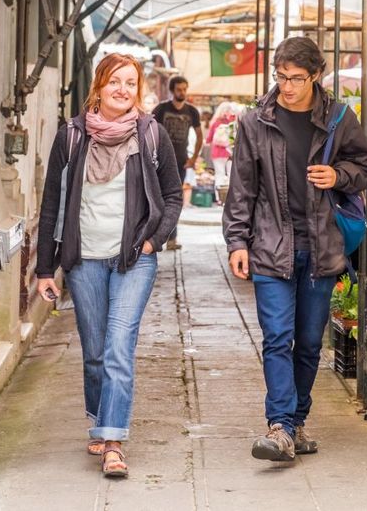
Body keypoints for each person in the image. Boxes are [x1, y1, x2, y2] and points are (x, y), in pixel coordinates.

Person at [222, 37, 367, 462]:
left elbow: (364, 166)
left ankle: (297, 422)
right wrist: (237, 241)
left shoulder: (340, 117)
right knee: (277, 338)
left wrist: (338, 174)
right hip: (270, 245)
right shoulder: (256, 121)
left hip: (322, 246)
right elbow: (242, 189)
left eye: (296, 79)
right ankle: (280, 427)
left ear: (316, 76)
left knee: (308, 343)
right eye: (281, 77)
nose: (287, 87)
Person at [36, 53, 182, 477]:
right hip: (83, 261)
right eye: (114, 82)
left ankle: (114, 439)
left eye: (130, 83)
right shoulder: (72, 137)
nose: (123, 90)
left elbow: (173, 195)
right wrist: (46, 269)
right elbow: (51, 206)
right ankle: (99, 417)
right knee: (95, 352)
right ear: (98, 86)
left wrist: (155, 240)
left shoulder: (151, 134)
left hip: (133, 259)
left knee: (119, 347)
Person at [152, 75, 202, 249]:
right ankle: (154, 237)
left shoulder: (192, 111)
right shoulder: (161, 109)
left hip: (180, 162)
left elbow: (199, 136)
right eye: (179, 89)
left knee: (173, 200)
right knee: (155, 198)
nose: (182, 92)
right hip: (158, 161)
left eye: (184, 89)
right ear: (172, 90)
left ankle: (172, 239)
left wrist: (193, 158)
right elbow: (149, 131)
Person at [206, 101, 238, 190]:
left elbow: (208, 139)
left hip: (216, 153)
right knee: (230, 174)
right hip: (229, 153)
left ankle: (219, 198)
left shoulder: (215, 122)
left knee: (219, 174)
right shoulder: (232, 122)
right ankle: (228, 197)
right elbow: (234, 139)